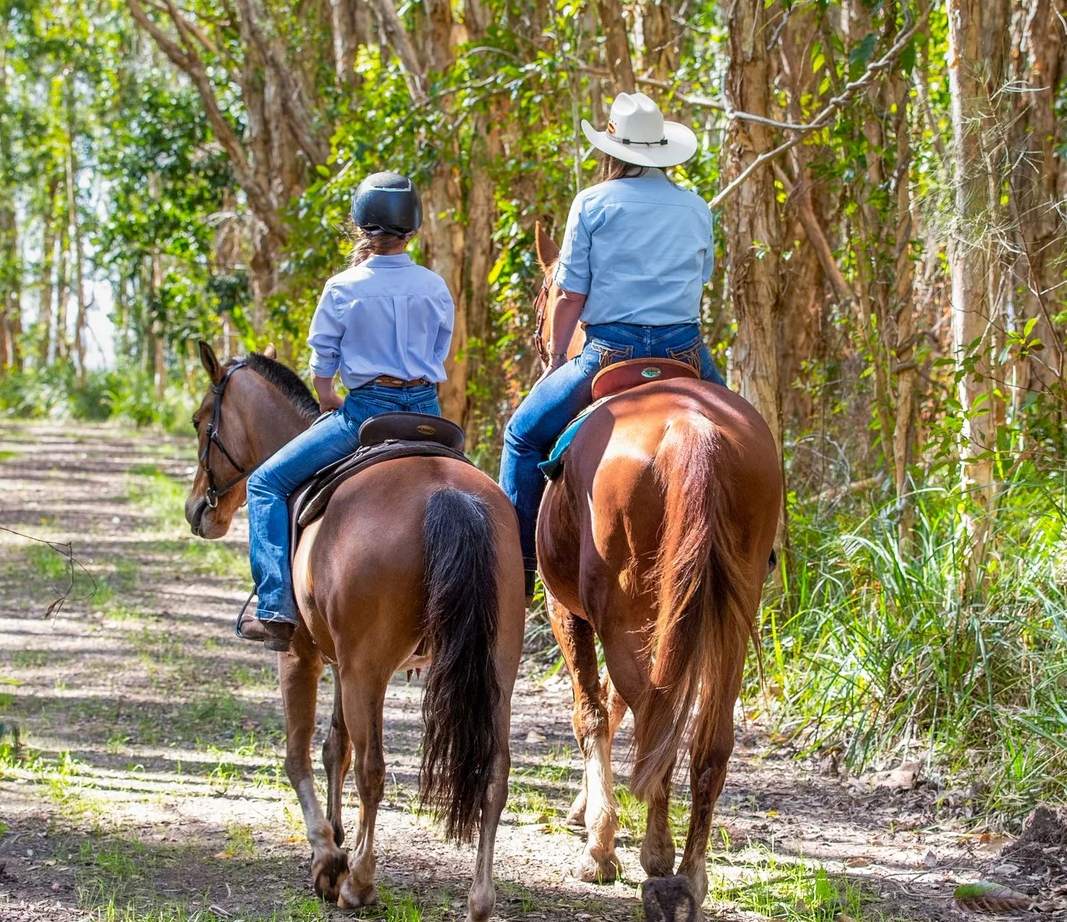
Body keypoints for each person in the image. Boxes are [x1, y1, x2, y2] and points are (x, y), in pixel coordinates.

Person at [500, 92, 728, 593]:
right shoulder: (695, 207)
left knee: (521, 434)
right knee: (743, 428)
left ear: (613, 149)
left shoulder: (593, 202)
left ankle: (515, 573)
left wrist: (558, 357)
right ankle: (758, 544)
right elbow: (702, 276)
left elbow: (570, 292)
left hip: (609, 351)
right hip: (685, 351)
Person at [240, 171, 454, 650]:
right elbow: (441, 348)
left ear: (362, 228)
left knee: (265, 483)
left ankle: (275, 606)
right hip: (428, 413)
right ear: (413, 229)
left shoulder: (342, 286)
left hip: (365, 413)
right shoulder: (434, 285)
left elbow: (323, 360)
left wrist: (327, 397)